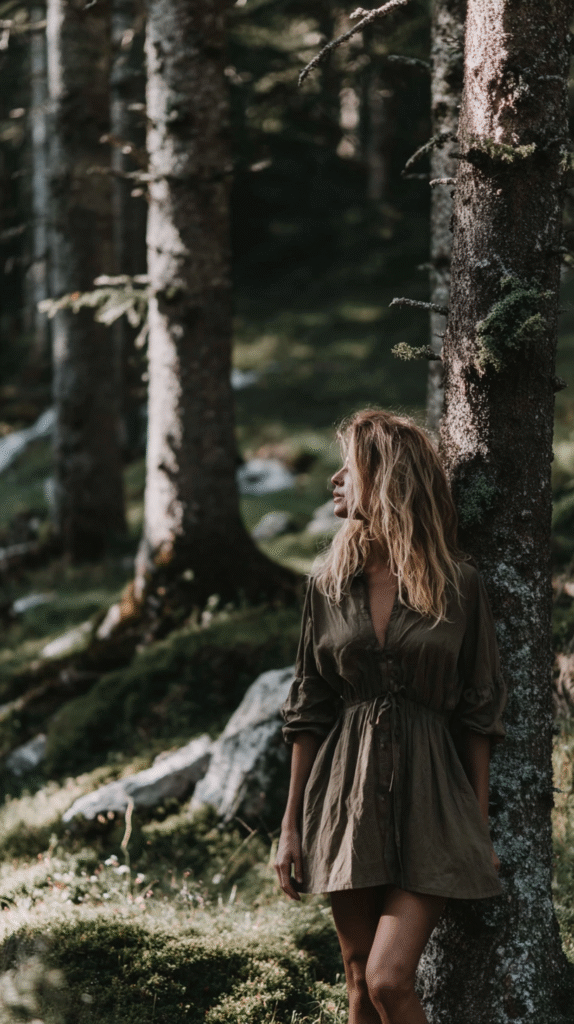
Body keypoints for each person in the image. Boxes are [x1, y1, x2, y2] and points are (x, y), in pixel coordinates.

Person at [274, 408, 507, 1024]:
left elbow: (478, 715)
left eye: (347, 468)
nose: (334, 480)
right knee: (356, 980)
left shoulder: (458, 585)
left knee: (387, 978)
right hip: (345, 798)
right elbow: (309, 708)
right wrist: (290, 827)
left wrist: (477, 829)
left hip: (434, 803)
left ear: (388, 479)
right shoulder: (327, 585)